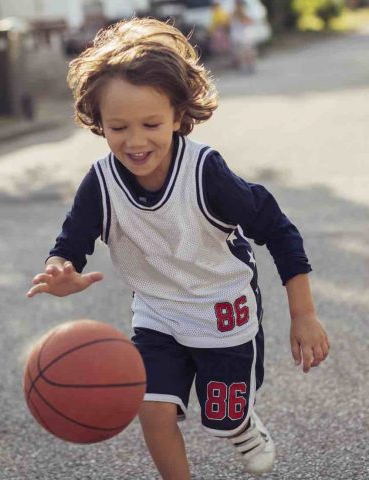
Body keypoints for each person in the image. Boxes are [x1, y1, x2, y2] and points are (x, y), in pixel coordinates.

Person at [26, 18, 330, 479]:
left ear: (177, 115)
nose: (135, 140)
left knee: (222, 417)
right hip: (158, 312)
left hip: (222, 309)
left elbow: (278, 229)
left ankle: (242, 425)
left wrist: (303, 313)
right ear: (99, 122)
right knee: (152, 409)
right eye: (118, 127)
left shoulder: (205, 173)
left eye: (151, 124)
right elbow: (71, 242)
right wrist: (61, 269)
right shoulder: (102, 183)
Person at [230, 0, 258, 73]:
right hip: (239, 36)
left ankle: (250, 66)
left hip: (246, 35)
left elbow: (249, 22)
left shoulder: (245, 12)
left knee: (248, 52)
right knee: (242, 53)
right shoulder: (234, 13)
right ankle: (244, 67)